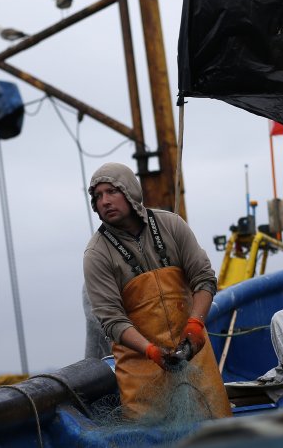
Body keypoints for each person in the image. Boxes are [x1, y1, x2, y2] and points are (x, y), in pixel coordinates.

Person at [82, 162, 232, 420]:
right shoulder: (96, 254)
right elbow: (112, 320)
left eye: (112, 191)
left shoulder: (171, 225)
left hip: (196, 363)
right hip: (142, 380)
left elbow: (204, 278)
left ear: (130, 191)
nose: (104, 201)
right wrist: (151, 351)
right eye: (98, 196)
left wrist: (195, 325)